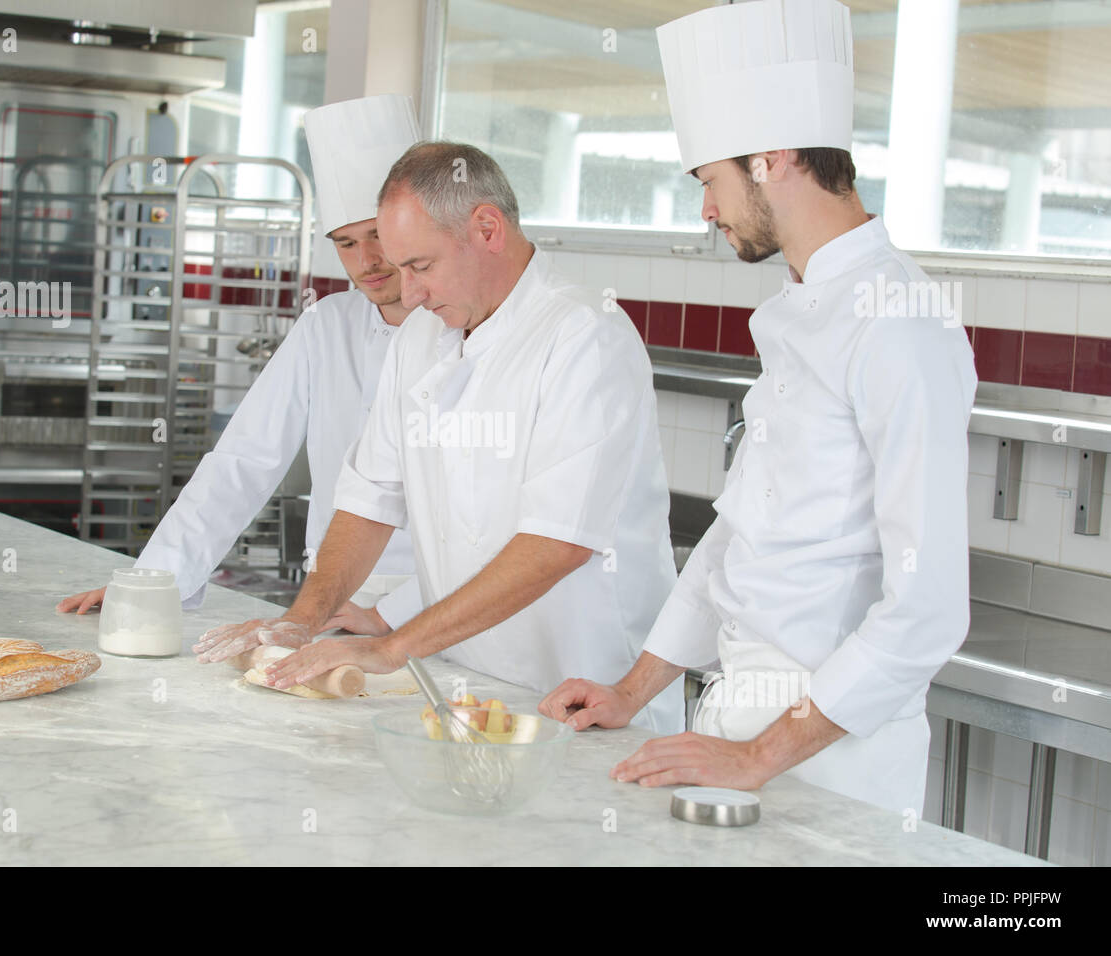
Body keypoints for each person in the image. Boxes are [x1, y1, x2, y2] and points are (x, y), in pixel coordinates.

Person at [539, 0, 977, 816]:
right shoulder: (796, 309)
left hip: (836, 749)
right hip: (738, 717)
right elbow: (739, 537)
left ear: (772, 160)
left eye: (709, 180)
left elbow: (926, 609)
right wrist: (632, 691)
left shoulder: (900, 324)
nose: (706, 210)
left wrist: (760, 754)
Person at [196, 142, 684, 733]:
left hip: (586, 688)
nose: (408, 295)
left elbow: (558, 543)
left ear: (486, 228)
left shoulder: (584, 335)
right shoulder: (420, 339)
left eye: (420, 266)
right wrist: (302, 618)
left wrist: (392, 646)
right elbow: (369, 498)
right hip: (467, 678)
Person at [58, 94, 423, 635]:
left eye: (377, 237)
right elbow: (243, 459)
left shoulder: (465, 330)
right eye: (346, 244)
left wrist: (396, 614)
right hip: (336, 599)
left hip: (440, 597)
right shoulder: (327, 324)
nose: (365, 262)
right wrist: (153, 583)